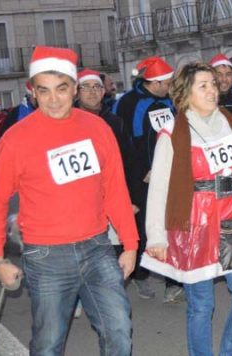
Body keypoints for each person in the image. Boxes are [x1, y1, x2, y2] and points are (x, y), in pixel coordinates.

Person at [0, 46, 139, 355]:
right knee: (48, 344)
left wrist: (131, 244)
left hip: (97, 249)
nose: (53, 99)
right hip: (46, 256)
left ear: (75, 89)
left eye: (61, 89)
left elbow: (115, 190)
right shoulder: (16, 139)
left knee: (119, 331)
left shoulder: (97, 129)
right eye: (44, 91)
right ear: (34, 92)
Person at [141, 62, 232, 355]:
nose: (212, 90)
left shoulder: (229, 123)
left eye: (213, 83)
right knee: (201, 305)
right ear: (186, 94)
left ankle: (231, 351)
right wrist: (156, 236)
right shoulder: (172, 132)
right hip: (194, 225)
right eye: (204, 85)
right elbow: (159, 189)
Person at [76, 69, 156, 300]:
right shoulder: (67, 120)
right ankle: (81, 291)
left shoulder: (114, 121)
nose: (92, 92)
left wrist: (132, 198)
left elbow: (128, 160)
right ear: (76, 91)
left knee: (116, 244)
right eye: (86, 87)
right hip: (80, 199)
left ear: (104, 91)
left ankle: (120, 285)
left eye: (97, 87)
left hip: (110, 193)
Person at [113, 55, 185, 302]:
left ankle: (173, 282)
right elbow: (127, 142)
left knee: (171, 225)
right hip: (141, 177)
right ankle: (140, 274)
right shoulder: (130, 103)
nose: (170, 86)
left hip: (170, 173)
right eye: (167, 82)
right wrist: (143, 170)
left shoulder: (169, 101)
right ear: (154, 83)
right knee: (145, 227)